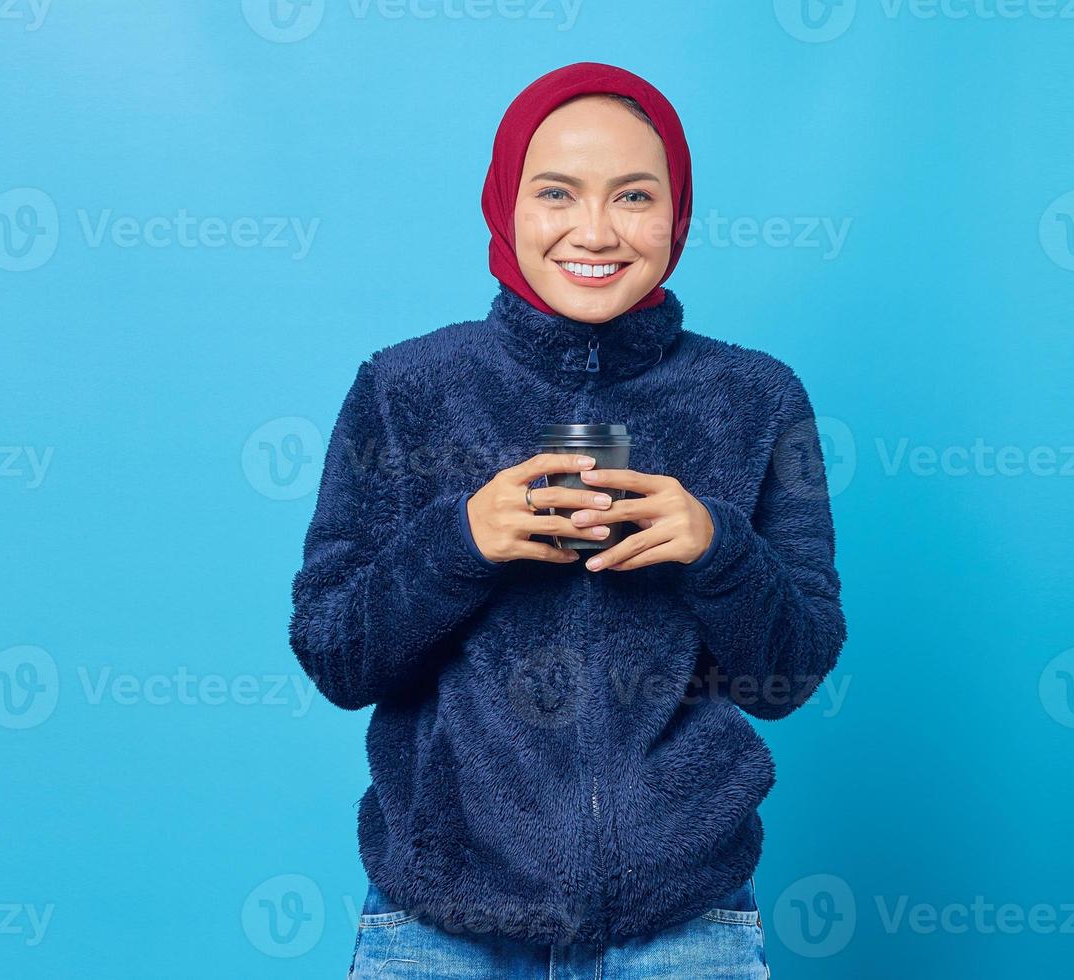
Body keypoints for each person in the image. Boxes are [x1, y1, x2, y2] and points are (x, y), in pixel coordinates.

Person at [289, 61, 846, 979]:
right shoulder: (407, 388)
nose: (595, 231)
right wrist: (460, 540)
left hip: (686, 930)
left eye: (634, 195)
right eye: (556, 193)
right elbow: (336, 655)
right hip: (438, 933)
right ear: (506, 202)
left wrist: (717, 551)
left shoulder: (755, 398)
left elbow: (788, 680)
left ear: (679, 210)